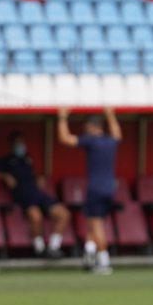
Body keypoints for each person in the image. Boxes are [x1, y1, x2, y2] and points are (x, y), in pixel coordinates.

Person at [57, 107, 121, 274]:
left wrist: (62, 117)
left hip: (96, 189)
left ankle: (104, 262)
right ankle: (89, 252)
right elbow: (117, 134)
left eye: (86, 128)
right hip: (109, 189)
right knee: (94, 224)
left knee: (96, 225)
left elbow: (65, 138)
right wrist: (111, 115)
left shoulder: (91, 141)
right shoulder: (110, 141)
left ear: (92, 127)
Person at [0, 131, 71, 259]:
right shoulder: (7, 160)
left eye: (22, 142)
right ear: (12, 144)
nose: (20, 145)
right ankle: (40, 249)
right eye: (17, 143)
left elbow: (32, 174)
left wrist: (39, 178)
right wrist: (5, 176)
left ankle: (53, 248)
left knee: (64, 214)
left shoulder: (28, 159)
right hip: (23, 196)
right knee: (36, 216)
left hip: (38, 194)